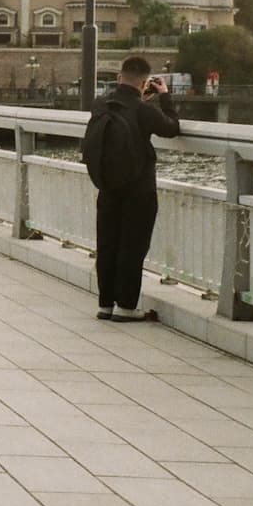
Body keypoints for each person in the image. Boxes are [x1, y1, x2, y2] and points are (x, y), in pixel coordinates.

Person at [92, 55, 181, 322]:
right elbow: (171, 128)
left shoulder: (101, 105)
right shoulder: (143, 111)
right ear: (144, 83)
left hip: (107, 185)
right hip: (138, 189)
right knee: (132, 246)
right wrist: (164, 97)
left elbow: (125, 111)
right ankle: (126, 307)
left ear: (119, 78)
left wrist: (142, 98)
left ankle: (106, 304)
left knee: (108, 244)